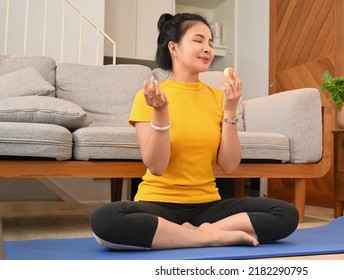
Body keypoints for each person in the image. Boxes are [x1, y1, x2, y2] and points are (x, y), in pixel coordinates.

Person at [90, 13, 299, 251]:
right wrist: (160, 112)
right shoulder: (149, 97)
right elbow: (156, 166)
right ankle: (209, 237)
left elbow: (230, 166)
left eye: (210, 42)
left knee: (286, 214)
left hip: (208, 206)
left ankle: (189, 235)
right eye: (198, 40)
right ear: (174, 47)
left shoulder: (219, 98)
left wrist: (230, 108)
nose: (207, 48)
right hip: (158, 203)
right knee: (106, 220)